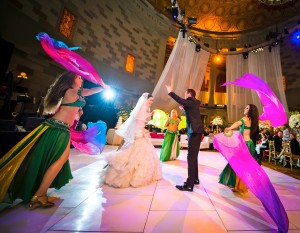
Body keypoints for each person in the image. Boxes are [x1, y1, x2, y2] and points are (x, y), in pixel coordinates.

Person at [0, 71, 108, 208]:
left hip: (60, 129)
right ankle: (39, 195)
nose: (81, 79)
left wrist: (103, 86)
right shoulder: (70, 91)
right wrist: (99, 84)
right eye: (79, 77)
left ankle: (39, 193)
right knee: (58, 160)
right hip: (57, 128)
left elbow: (91, 91)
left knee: (55, 160)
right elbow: (87, 92)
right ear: (71, 80)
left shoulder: (74, 92)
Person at [102, 93, 162, 188]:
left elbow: (143, 121)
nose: (151, 102)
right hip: (138, 134)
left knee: (139, 155)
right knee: (135, 155)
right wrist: (141, 133)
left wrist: (149, 115)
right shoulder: (142, 109)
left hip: (141, 132)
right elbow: (138, 123)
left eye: (152, 100)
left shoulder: (144, 109)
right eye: (150, 100)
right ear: (145, 100)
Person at [165, 86, 203, 192]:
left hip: (194, 132)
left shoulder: (191, 101)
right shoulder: (193, 103)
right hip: (195, 131)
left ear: (189, 94)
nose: (184, 95)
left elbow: (180, 100)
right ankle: (195, 179)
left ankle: (189, 185)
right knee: (193, 157)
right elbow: (190, 112)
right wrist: (184, 107)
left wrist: (171, 92)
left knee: (190, 157)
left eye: (185, 94)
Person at [219, 104, 259, 194]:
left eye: (247, 108)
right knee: (242, 166)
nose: (245, 108)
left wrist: (229, 127)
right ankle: (238, 186)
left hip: (245, 146)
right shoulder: (253, 120)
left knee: (237, 165)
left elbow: (237, 123)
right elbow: (243, 131)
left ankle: (239, 186)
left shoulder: (245, 118)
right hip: (249, 144)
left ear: (251, 110)